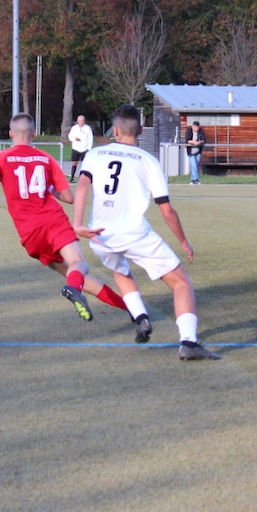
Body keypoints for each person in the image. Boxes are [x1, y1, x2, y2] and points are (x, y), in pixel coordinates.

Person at [0, 113, 136, 330]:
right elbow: (69, 198)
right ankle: (78, 289)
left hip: (29, 234)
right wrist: (50, 188)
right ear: (34, 133)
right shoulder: (46, 158)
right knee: (79, 264)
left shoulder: (1, 158)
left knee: (74, 274)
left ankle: (131, 310)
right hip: (52, 221)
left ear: (11, 134)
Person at [73, 104, 220, 361]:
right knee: (181, 283)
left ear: (115, 130)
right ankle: (189, 342)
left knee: (120, 271)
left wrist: (77, 224)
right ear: (141, 131)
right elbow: (166, 211)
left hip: (100, 235)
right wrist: (183, 242)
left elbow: (82, 185)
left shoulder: (94, 154)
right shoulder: (149, 161)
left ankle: (140, 317)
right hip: (135, 235)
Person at [68, 114, 93, 183]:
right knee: (74, 163)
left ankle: (84, 178)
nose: (81, 122)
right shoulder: (74, 128)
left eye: (82, 121)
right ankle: (72, 178)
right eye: (80, 121)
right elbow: (70, 136)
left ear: (84, 121)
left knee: (85, 164)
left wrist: (89, 148)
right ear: (77, 121)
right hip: (76, 148)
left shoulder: (87, 128)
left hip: (85, 148)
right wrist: (75, 138)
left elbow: (90, 138)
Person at [185, 120, 206, 185]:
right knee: (194, 165)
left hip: (198, 151)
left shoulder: (201, 131)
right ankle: (196, 179)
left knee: (196, 166)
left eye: (197, 128)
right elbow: (187, 140)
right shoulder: (189, 131)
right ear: (192, 126)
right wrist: (193, 142)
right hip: (191, 152)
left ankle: (192, 180)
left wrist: (200, 142)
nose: (196, 129)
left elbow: (204, 140)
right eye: (195, 127)